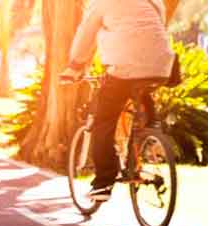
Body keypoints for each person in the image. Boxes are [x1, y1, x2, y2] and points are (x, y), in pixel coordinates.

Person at [61, 0, 175, 202]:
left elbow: (86, 35)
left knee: (103, 121)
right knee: (142, 88)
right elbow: (157, 23)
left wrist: (75, 66)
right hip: (162, 66)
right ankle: (151, 128)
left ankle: (104, 182)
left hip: (124, 67)